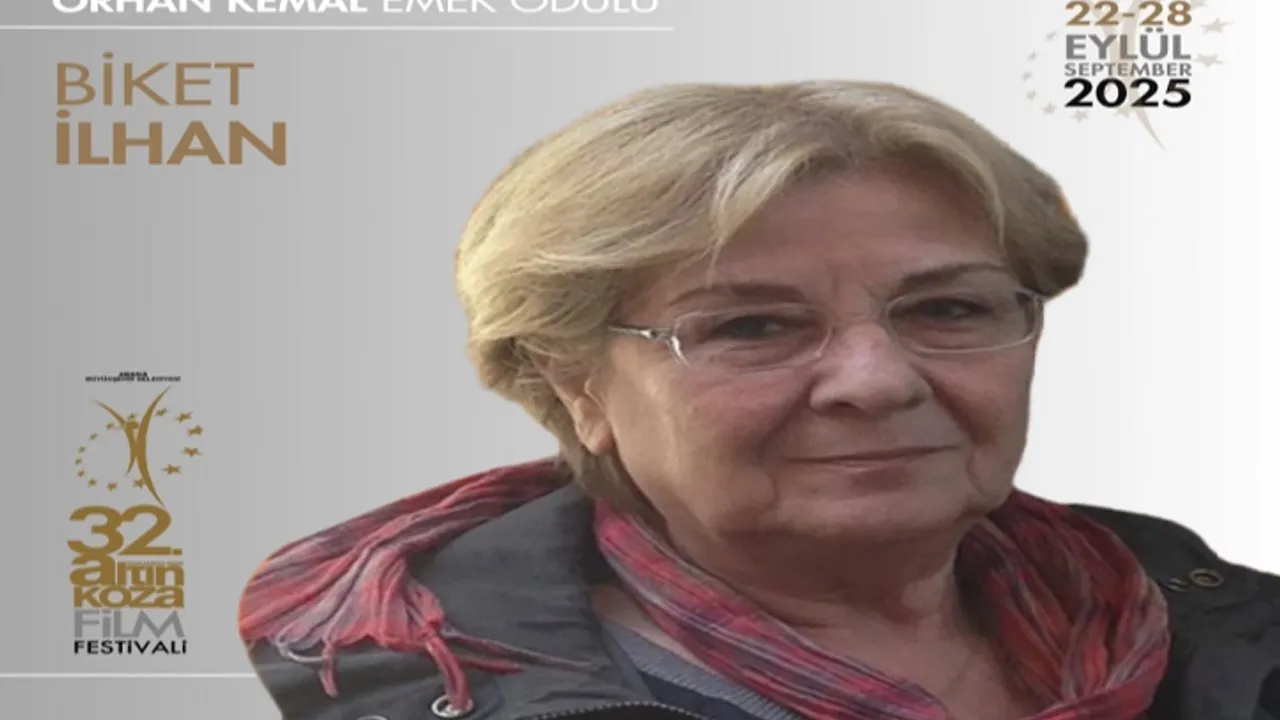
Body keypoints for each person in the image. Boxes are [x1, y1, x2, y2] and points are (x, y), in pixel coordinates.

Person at [238, 81, 1280, 720]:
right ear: (574, 384)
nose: (876, 381)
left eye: (948, 309)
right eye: (749, 327)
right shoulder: (387, 685)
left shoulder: (1204, 619)